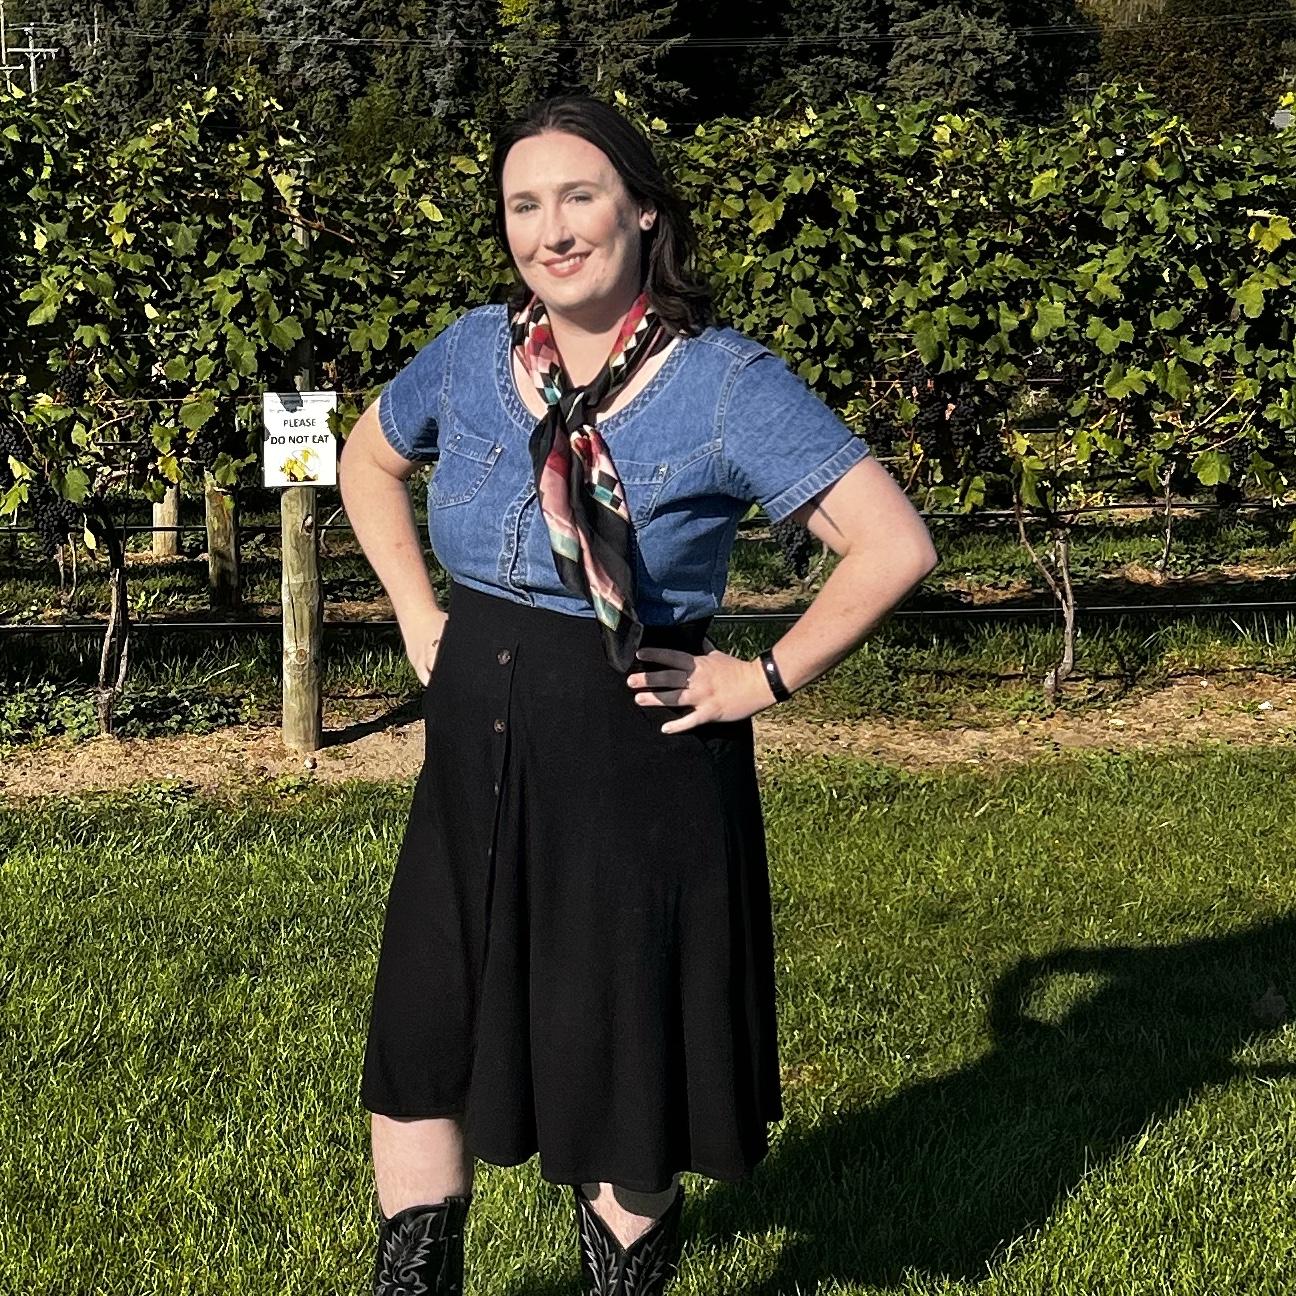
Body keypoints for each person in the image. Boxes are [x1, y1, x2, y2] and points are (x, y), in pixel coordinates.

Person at [338, 93, 938, 1296]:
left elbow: (893, 545)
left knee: (619, 1076)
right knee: (422, 1044)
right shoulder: (473, 352)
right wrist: (415, 612)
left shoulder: (723, 383)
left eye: (580, 196)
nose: (551, 230)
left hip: (633, 764)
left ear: (643, 212)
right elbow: (370, 456)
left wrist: (760, 676)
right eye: (524, 204)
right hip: (474, 750)